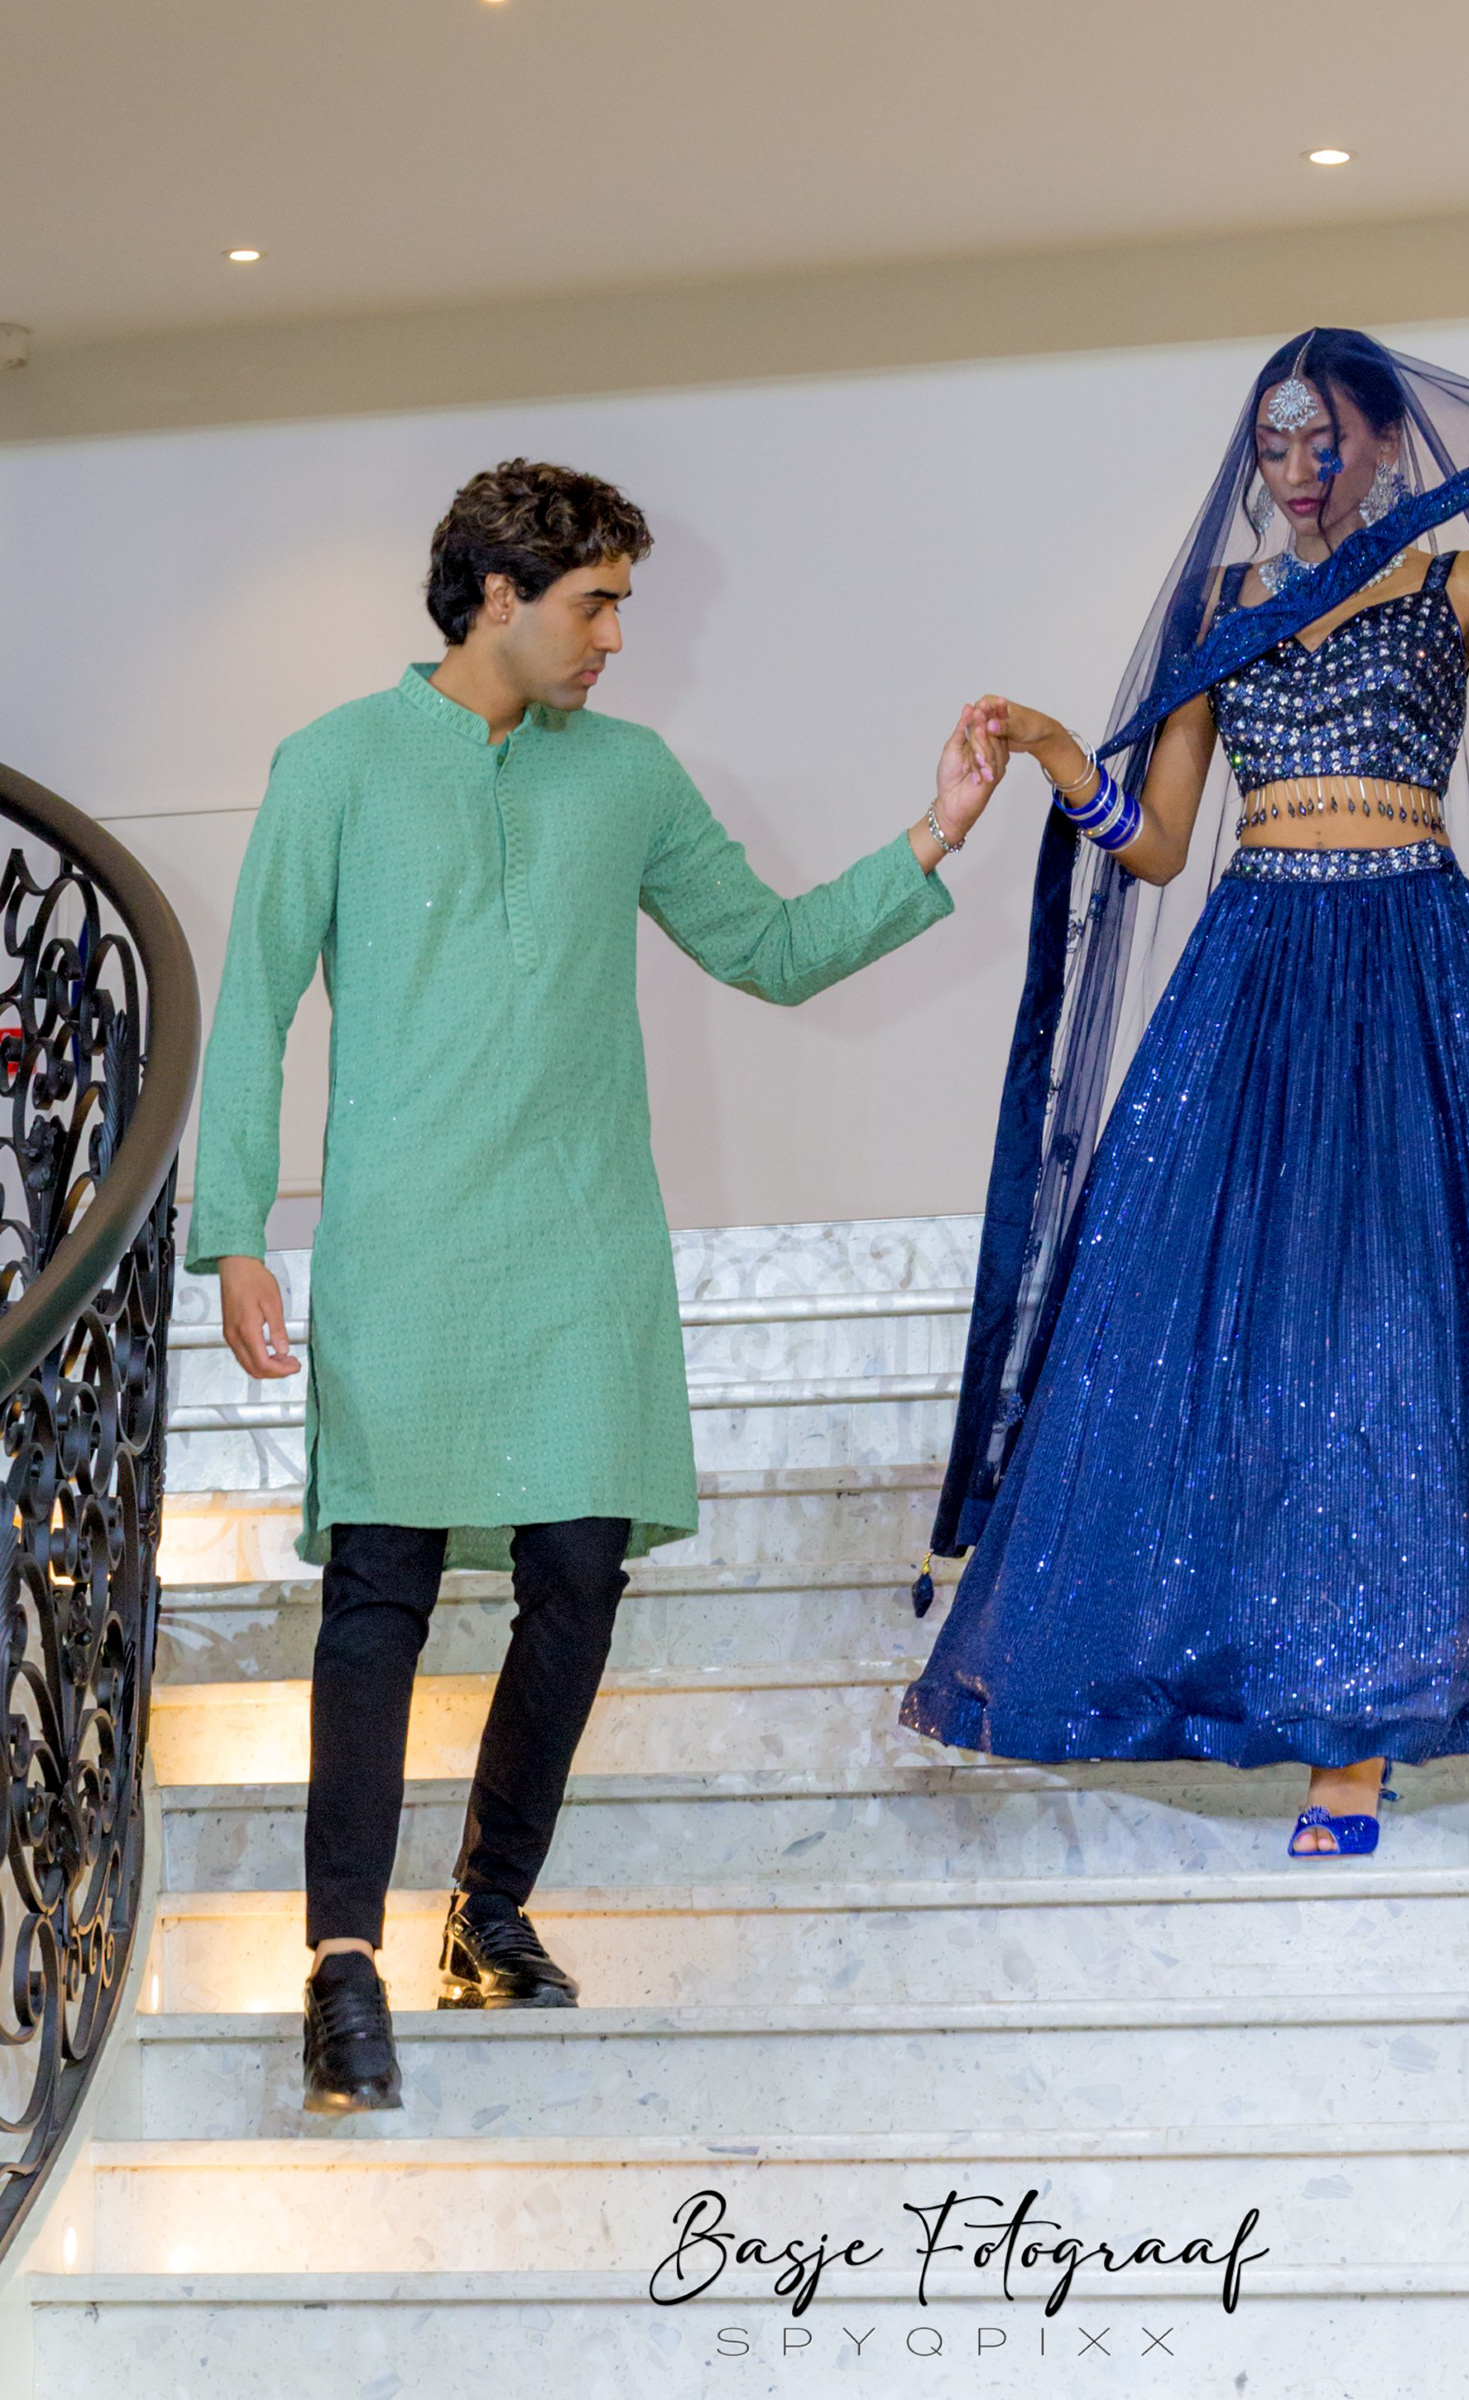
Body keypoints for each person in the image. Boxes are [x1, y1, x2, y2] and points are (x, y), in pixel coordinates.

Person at [189, 457, 1006, 2112]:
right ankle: (339, 1961)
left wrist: (938, 829)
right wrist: (233, 1233)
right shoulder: (334, 764)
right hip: (405, 1251)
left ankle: (487, 1910)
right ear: (496, 595)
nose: (617, 637)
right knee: (378, 1594)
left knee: (578, 1574)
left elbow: (771, 947)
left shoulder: (626, 777)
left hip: (579, 1251)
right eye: (596, 604)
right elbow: (258, 1001)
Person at [905, 329, 1469, 1856]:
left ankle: (1362, 1729)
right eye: (1273, 443)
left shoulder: (1450, 582)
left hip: (1405, 958)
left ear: (1388, 443)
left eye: (1322, 438)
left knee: (1399, 1328)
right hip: (1253, 964)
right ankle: (1231, 1660)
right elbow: (1158, 842)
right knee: (1208, 1319)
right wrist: (1066, 753)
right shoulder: (1225, 607)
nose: (1294, 468)